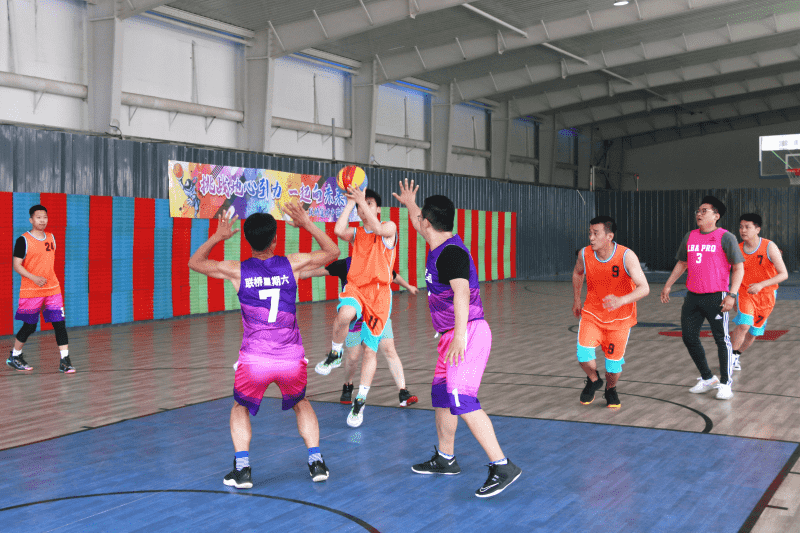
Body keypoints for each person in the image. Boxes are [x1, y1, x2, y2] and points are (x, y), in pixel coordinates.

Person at [188, 202, 339, 489]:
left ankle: (243, 469)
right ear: (275, 240)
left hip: (255, 360)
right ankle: (316, 462)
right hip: (291, 359)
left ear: (247, 240)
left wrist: (218, 236)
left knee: (239, 407)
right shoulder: (292, 263)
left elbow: (194, 263)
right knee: (301, 403)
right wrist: (307, 223)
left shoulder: (236, 270)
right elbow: (333, 252)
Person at [393, 179, 521, 499]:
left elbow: (462, 292)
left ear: (428, 221)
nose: (418, 222)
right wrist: (410, 203)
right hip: (451, 336)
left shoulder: (450, 253)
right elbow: (418, 221)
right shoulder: (437, 240)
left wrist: (460, 336)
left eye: (420, 217)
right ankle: (446, 458)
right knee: (441, 396)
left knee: (461, 399)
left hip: (468, 333)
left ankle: (502, 465)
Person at [314, 188, 397, 428]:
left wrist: (360, 200)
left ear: (378, 208)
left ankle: (360, 399)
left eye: (369, 203)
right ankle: (335, 353)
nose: (364, 207)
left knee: (370, 351)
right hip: (356, 288)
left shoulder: (389, 227)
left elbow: (378, 228)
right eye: (362, 206)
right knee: (344, 315)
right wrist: (351, 203)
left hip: (379, 295)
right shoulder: (357, 233)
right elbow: (339, 230)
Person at [300, 258, 418, 407]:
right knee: (353, 358)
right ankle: (347, 385)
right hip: (355, 319)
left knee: (390, 351)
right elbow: (322, 271)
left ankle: (403, 393)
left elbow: (394, 276)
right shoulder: (346, 264)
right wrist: (301, 273)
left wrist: (408, 286)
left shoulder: (379, 261)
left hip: (377, 315)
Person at [660, 195, 744, 400]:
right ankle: (708, 378)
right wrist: (668, 284)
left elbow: (738, 268)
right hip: (692, 297)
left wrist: (732, 295)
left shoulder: (726, 237)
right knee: (689, 337)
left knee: (721, 340)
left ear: (716, 216)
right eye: (698, 211)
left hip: (717, 296)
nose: (699, 214)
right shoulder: (690, 236)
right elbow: (682, 263)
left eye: (704, 211)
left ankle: (725, 383)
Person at [572, 216, 650, 409]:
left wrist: (621, 300)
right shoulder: (584, 254)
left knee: (613, 368)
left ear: (609, 236)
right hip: (592, 314)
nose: (591, 237)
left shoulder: (626, 256)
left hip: (620, 320)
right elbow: (577, 273)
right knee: (583, 355)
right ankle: (593, 379)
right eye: (590, 233)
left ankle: (610, 389)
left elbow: (644, 288)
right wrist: (577, 299)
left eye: (595, 233)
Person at [7, 204, 74, 373]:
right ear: (31, 220)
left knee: (59, 324)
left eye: (45, 217)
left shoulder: (51, 238)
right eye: (38, 217)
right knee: (30, 326)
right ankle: (15, 355)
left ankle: (65, 361)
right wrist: (34, 278)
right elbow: (16, 265)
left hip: (52, 289)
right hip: (32, 290)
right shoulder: (23, 240)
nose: (42, 220)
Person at [730, 213, 788, 370]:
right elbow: (733, 274)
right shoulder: (737, 249)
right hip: (745, 293)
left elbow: (784, 274)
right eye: (741, 227)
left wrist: (762, 285)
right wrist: (732, 295)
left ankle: (736, 354)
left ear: (757, 229)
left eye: (747, 227)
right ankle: (730, 357)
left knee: (753, 333)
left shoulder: (769, 246)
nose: (743, 230)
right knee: (744, 325)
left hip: (766, 296)